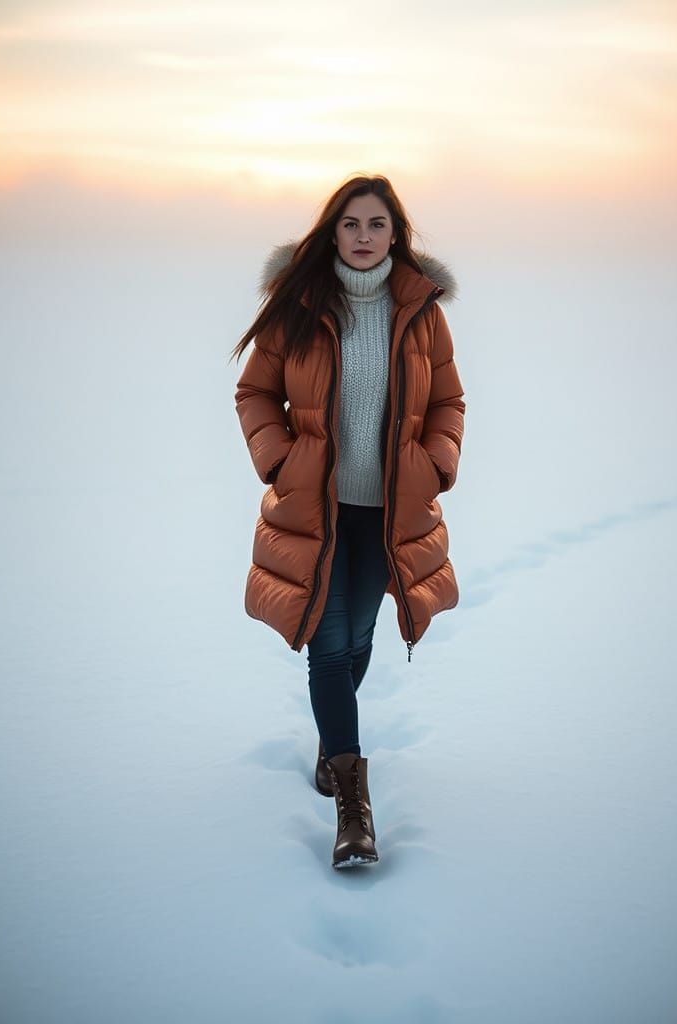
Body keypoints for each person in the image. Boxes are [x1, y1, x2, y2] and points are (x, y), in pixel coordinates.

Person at [231, 174, 466, 869]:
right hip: (318, 510)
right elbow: (255, 392)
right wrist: (283, 460)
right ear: (332, 233)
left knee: (359, 634)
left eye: (377, 225)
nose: (364, 238)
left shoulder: (421, 312)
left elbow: (450, 401)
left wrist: (434, 464)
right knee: (329, 647)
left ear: (397, 236)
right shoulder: (299, 306)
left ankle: (332, 744)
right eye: (351, 225)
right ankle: (353, 805)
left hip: (387, 512)